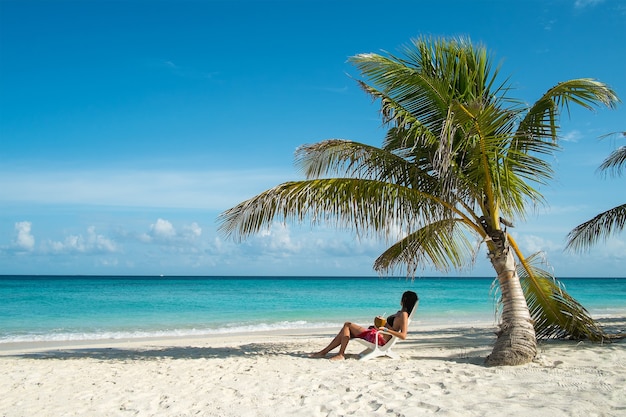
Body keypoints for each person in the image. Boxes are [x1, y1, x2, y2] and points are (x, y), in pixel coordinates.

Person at [310, 291, 419, 361]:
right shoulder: (400, 312)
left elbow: (403, 335)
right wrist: (383, 323)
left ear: (404, 300)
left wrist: (385, 328)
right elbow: (391, 327)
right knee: (346, 330)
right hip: (378, 335)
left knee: (347, 325)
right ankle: (325, 352)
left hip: (380, 339)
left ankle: (339, 354)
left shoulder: (404, 315)